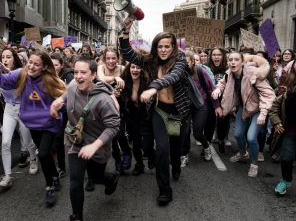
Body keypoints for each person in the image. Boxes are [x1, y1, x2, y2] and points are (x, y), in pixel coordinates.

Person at [119, 17, 192, 206]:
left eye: (167, 46)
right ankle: (165, 190)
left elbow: (173, 77)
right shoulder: (150, 62)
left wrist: (153, 87)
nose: (164, 50)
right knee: (161, 149)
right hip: (160, 111)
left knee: (175, 148)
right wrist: (125, 31)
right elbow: (127, 52)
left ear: (173, 47)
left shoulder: (181, 60)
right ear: (155, 47)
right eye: (160, 46)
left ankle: (176, 165)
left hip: (177, 112)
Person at [50, 55, 120, 221]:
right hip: (76, 142)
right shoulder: (73, 85)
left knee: (96, 177)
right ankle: (77, 215)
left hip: (98, 147)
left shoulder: (104, 100)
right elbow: (68, 94)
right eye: (75, 72)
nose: (78, 76)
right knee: (75, 180)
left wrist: (94, 146)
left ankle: (111, 179)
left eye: (83, 73)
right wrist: (58, 102)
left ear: (93, 75)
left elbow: (114, 126)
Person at [0, 49, 66, 206]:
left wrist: (58, 105)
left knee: (44, 154)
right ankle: (54, 175)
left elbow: (67, 96)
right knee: (45, 155)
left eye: (36, 64)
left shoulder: (50, 80)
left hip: (49, 124)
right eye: (30, 62)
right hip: (32, 124)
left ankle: (49, 187)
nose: (31, 67)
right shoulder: (22, 74)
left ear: (45, 67)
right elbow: (0, 81)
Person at [212, 52, 275, 177]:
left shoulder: (253, 73)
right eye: (230, 60)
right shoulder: (229, 73)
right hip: (243, 107)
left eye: (236, 59)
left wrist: (263, 114)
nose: (233, 62)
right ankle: (243, 154)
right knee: (238, 134)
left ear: (242, 62)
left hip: (258, 109)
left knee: (251, 137)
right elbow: (223, 83)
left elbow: (269, 94)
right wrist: (218, 89)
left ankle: (254, 163)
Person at [0, 48, 39, 187]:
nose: (5, 59)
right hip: (9, 109)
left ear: (15, 58)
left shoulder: (22, 72)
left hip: (23, 109)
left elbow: (13, 78)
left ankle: (33, 159)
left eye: (9, 57)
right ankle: (7, 175)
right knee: (5, 142)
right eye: (3, 57)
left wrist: (6, 72)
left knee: (27, 141)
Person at [181, 51, 220, 165]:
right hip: (186, 106)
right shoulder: (179, 73)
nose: (183, 65)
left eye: (186, 63)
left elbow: (212, 89)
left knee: (197, 132)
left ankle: (206, 146)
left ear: (192, 62)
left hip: (201, 105)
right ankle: (184, 154)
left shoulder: (200, 71)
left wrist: (216, 106)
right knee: (184, 131)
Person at [270, 58, 296, 195]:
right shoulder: (288, 83)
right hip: (291, 130)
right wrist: (276, 121)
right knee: (286, 158)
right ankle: (286, 180)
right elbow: (275, 105)